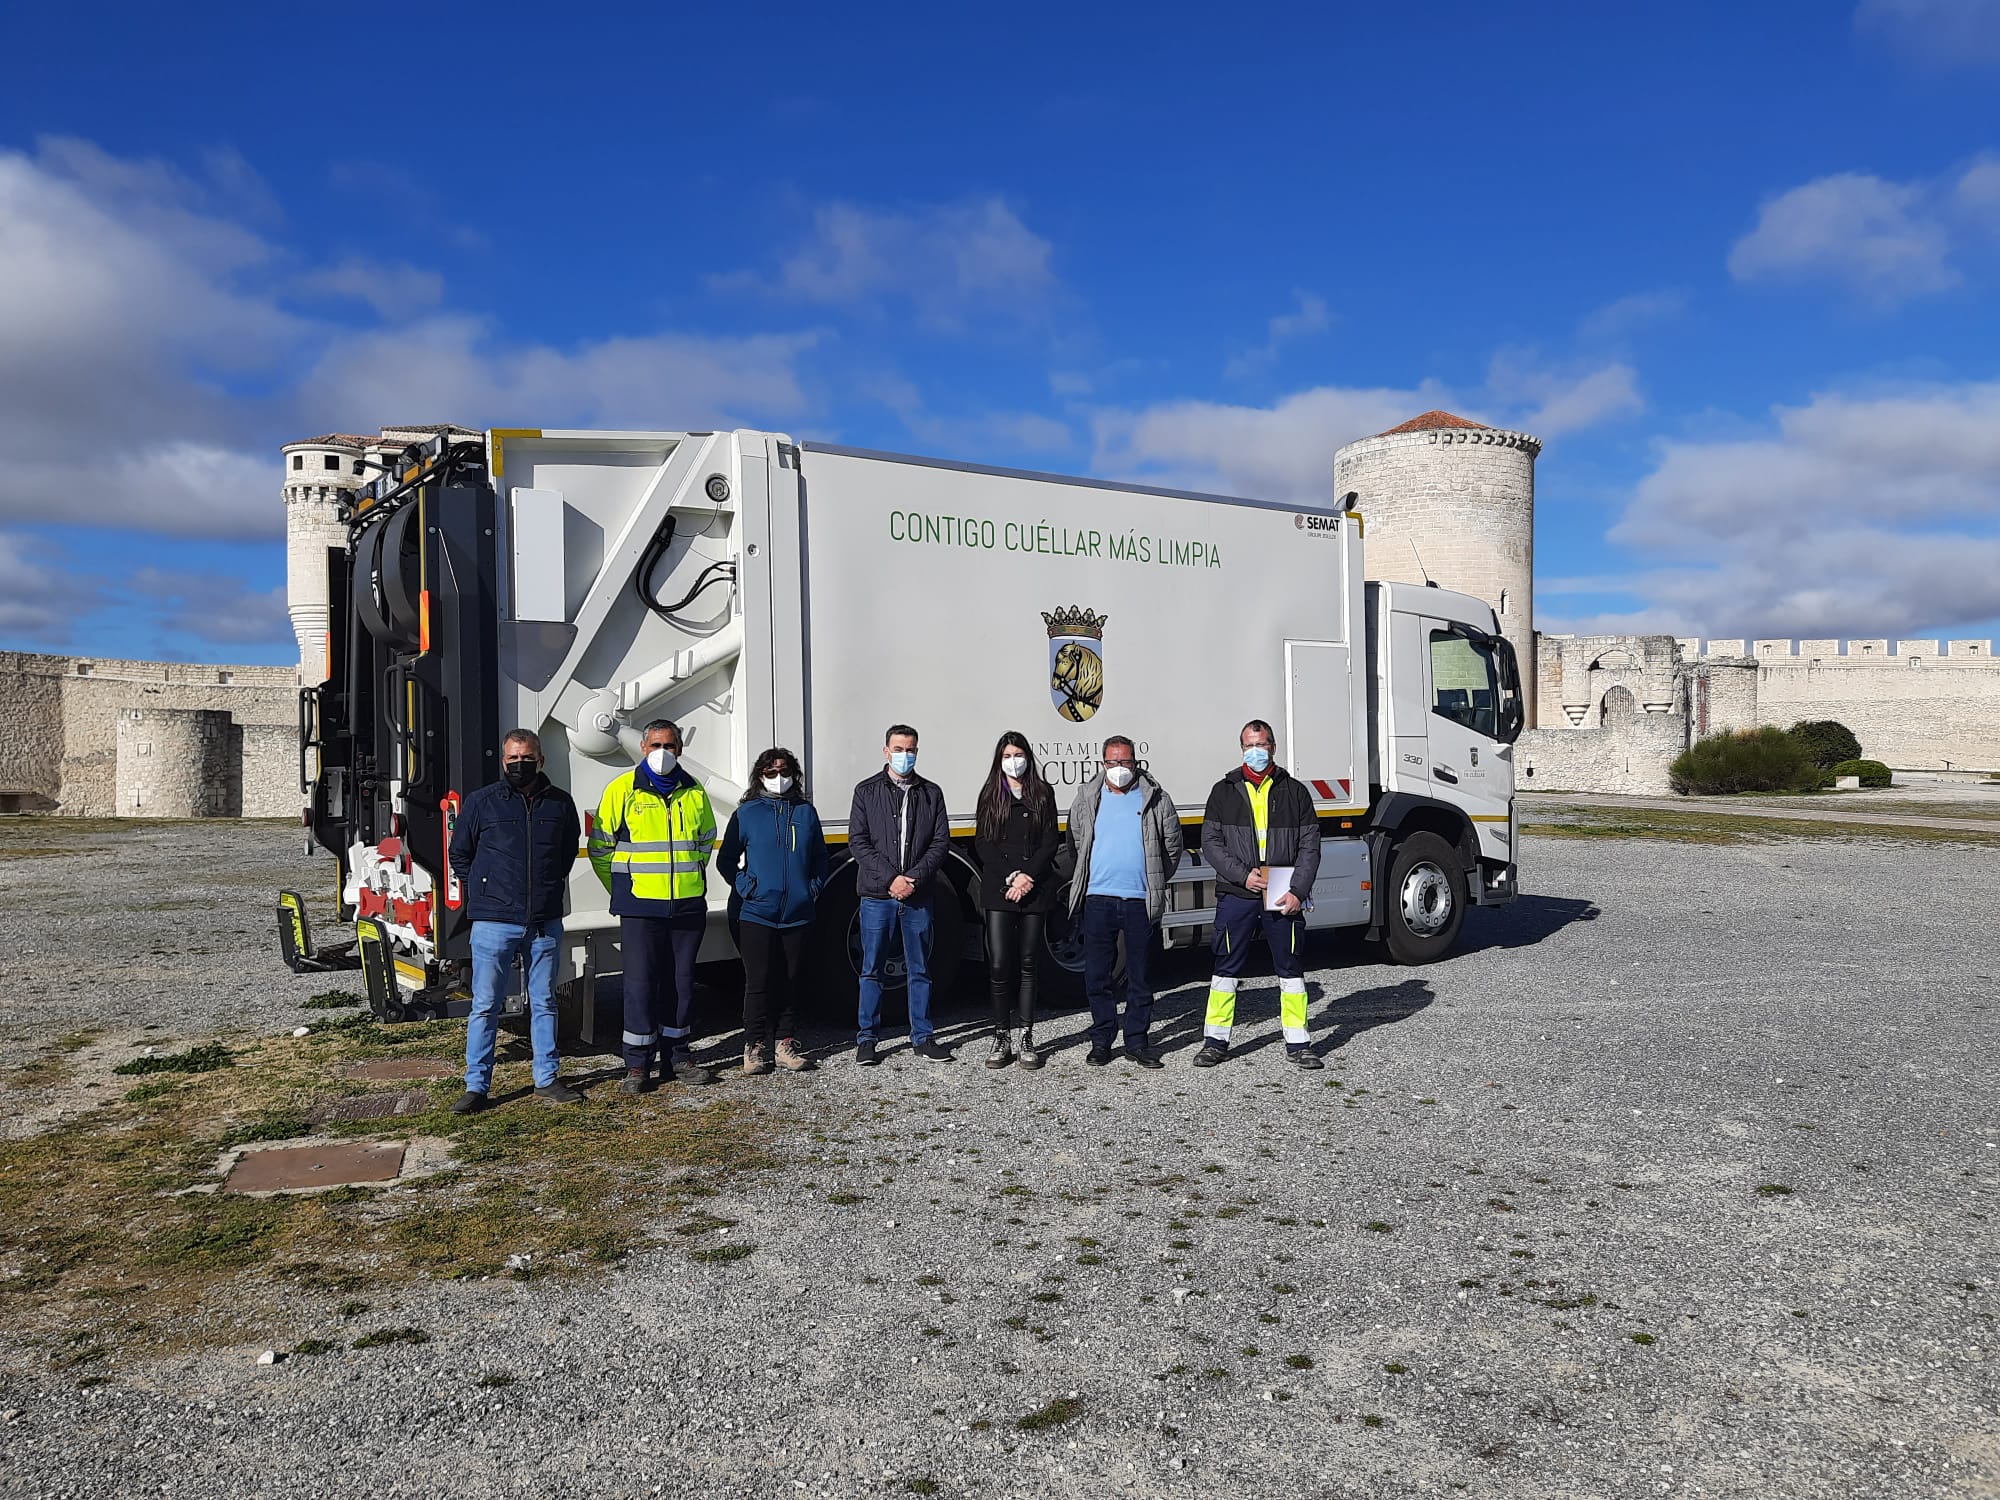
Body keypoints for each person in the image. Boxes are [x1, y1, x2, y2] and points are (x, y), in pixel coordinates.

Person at [446, 729, 583, 1113]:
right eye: (512, 758)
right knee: (486, 1004)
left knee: (544, 1002)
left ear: (540, 760)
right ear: (503, 761)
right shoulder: (482, 803)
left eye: (526, 757)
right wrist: (486, 891)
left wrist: (547, 887)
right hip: (493, 922)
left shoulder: (560, 804)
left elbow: (567, 852)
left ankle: (547, 1078)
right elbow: (461, 854)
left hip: (543, 923)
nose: (519, 764)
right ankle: (477, 1086)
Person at [589, 718, 719, 1091]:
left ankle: (678, 1056)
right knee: (639, 985)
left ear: (680, 749)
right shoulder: (622, 790)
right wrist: (622, 887)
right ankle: (637, 1065)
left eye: (670, 746)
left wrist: (686, 879)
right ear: (643, 748)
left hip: (687, 906)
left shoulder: (694, 792)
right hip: (641, 907)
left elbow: (705, 842)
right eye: (656, 746)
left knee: (680, 984)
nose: (663, 753)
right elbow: (600, 846)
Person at [1192, 719, 1324, 1070]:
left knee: (1291, 969)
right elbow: (1211, 843)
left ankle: (1298, 1043)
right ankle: (1215, 1041)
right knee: (1225, 968)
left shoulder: (1295, 792)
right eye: (1250, 745)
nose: (1256, 751)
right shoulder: (1224, 791)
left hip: (1283, 888)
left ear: (1273, 748)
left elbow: (1310, 846)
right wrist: (1242, 875)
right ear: (1241, 749)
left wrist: (1299, 889)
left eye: (1262, 744)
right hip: (1239, 890)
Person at [1066, 735, 1184, 1069]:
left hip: (1139, 900)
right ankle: (1102, 1040)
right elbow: (1076, 843)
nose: (1119, 769)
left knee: (1140, 976)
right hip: (1098, 899)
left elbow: (1171, 848)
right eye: (1113, 762)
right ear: (1103, 764)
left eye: (1126, 762)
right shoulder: (1088, 797)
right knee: (1097, 976)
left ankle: (1137, 1042)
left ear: (1136, 763)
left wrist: (1154, 879)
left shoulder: (1156, 799)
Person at [717, 746, 830, 1076]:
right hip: (756, 913)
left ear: (793, 775)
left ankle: (785, 1043)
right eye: (770, 772)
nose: (778, 778)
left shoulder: (806, 813)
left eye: (784, 772)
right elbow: (726, 860)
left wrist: (813, 887)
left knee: (791, 979)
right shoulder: (747, 814)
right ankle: (754, 1047)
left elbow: (820, 857)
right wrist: (745, 886)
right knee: (759, 981)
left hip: (797, 912)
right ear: (759, 776)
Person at [848, 723, 952, 1064]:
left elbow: (939, 844)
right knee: (871, 968)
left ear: (917, 752)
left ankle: (922, 1036)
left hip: (917, 896)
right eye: (898, 748)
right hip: (878, 895)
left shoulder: (931, 793)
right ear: (885, 751)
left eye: (910, 749)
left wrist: (914, 880)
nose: (904, 755)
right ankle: (867, 1039)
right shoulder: (866, 791)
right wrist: (892, 879)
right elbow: (858, 842)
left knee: (919, 968)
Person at [972, 731, 1060, 1069]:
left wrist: (1028, 877)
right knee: (998, 964)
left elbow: (1051, 841)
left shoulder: (1042, 793)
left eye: (1018, 754)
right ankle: (1000, 1034)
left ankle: (1026, 1035)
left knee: (1028, 963)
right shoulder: (991, 794)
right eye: (1008, 755)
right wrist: (1011, 876)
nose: (1014, 761)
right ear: (999, 759)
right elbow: (983, 843)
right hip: (1000, 888)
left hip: (1033, 888)